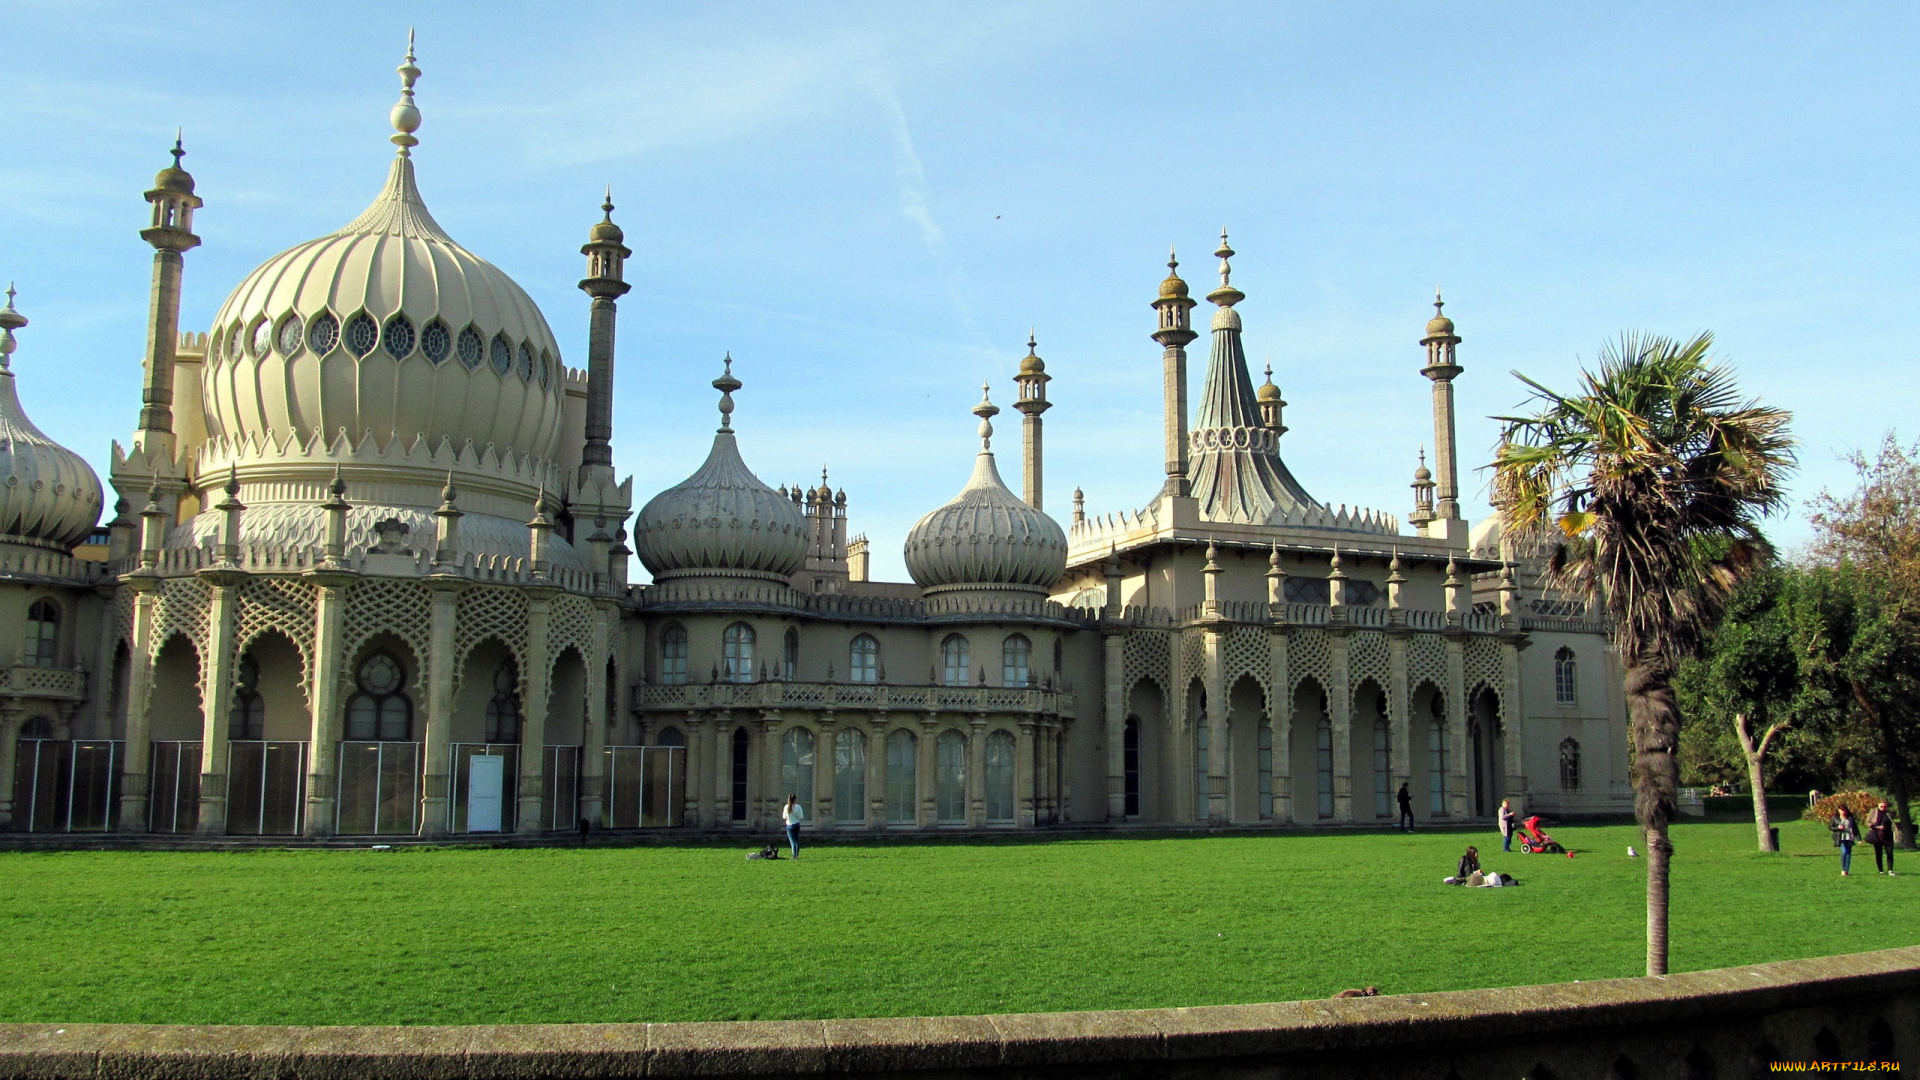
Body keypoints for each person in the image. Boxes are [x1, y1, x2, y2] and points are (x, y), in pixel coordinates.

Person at [1866, 800, 1897, 876]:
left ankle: (1890, 869)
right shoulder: (1873, 811)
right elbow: (1867, 822)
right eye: (1881, 806)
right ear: (1878, 804)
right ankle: (1881, 870)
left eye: (1885, 807)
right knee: (1878, 853)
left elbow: (1892, 822)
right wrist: (1875, 826)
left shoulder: (1889, 813)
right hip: (1877, 834)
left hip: (1887, 835)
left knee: (1889, 852)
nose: (1883, 808)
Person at [1833, 803, 1860, 877]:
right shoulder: (1835, 818)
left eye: (1844, 810)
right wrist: (1838, 827)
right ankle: (1842, 869)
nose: (1843, 812)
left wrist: (1859, 839)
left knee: (1848, 854)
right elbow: (1830, 827)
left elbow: (1855, 829)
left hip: (1849, 837)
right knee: (1844, 852)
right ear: (1838, 810)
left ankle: (1846, 870)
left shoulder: (1850, 818)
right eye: (1841, 810)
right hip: (1841, 838)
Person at [782, 794, 805, 859]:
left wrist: (789, 817)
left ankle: (794, 855)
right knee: (796, 840)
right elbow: (801, 816)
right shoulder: (798, 807)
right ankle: (796, 854)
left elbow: (784, 816)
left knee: (792, 841)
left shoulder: (786, 806)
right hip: (796, 824)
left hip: (789, 825)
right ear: (794, 800)